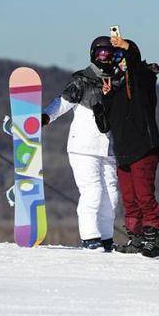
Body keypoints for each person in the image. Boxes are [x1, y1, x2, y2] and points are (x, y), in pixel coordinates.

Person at [41, 36, 119, 252]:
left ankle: (106, 238)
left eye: (108, 53)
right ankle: (90, 237)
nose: (104, 57)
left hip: (110, 148)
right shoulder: (83, 81)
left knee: (111, 195)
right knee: (92, 191)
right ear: (93, 54)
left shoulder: (118, 81)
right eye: (100, 53)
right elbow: (62, 103)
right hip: (84, 146)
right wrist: (46, 117)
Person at [98, 34, 159, 258]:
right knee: (129, 197)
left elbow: (135, 64)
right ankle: (136, 238)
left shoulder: (141, 81)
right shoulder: (115, 91)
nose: (120, 65)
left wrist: (127, 46)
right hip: (125, 151)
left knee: (144, 195)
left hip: (144, 148)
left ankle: (153, 238)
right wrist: (106, 98)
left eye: (122, 59)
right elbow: (106, 123)